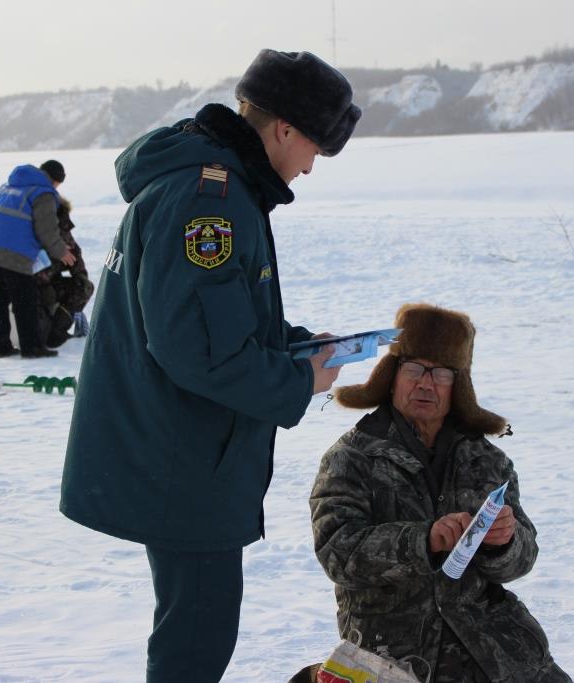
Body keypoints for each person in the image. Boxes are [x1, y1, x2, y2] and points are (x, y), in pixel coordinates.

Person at [59, 49, 361, 683]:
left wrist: (294, 346)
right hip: (184, 460)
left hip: (184, 449)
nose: (311, 167)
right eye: (315, 148)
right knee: (196, 636)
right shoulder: (210, 200)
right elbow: (198, 351)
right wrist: (299, 380)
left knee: (196, 626)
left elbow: (214, 318)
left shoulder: (216, 185)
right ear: (285, 129)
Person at [307, 303, 571, 683]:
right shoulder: (351, 458)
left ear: (457, 386)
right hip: (391, 656)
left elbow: (522, 560)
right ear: (392, 376)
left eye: (441, 373)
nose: (425, 384)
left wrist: (505, 543)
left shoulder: (487, 460)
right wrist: (424, 541)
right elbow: (337, 552)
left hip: (497, 650)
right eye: (414, 369)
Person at [0, 159, 75, 358]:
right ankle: (32, 347)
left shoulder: (8, 187)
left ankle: (2, 347)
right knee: (25, 301)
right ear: (55, 180)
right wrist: (62, 252)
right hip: (15, 254)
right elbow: (46, 230)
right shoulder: (44, 193)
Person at [34, 196, 94, 348]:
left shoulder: (60, 228)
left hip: (48, 284)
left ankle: (57, 331)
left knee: (83, 286)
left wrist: (80, 278)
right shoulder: (30, 230)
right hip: (29, 288)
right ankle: (48, 332)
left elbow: (75, 259)